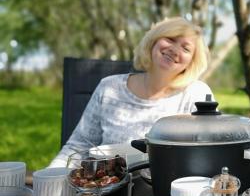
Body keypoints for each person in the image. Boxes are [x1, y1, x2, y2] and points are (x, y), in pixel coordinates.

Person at [50, 17, 213, 167]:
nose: (175, 50)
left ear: (191, 62)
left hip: (166, 192)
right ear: (153, 41)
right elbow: (79, 146)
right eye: (170, 39)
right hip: (103, 190)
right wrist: (51, 179)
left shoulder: (196, 94)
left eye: (186, 48)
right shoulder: (109, 87)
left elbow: (208, 154)